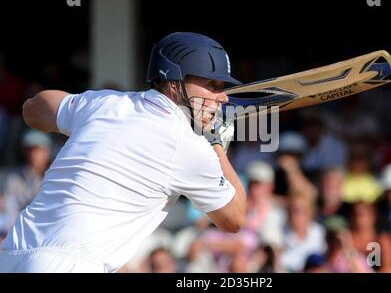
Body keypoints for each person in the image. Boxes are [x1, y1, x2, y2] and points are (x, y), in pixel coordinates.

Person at [0, 32, 247, 272]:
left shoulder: (105, 103)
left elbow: (32, 109)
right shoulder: (188, 145)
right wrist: (216, 145)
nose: (223, 97)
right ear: (175, 83)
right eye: (212, 85)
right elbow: (234, 219)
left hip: (11, 255)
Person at [0, 130, 53, 230]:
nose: (33, 154)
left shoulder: (56, 177)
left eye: (38, 150)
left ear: (47, 152)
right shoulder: (11, 178)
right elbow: (10, 211)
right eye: (29, 150)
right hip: (16, 231)